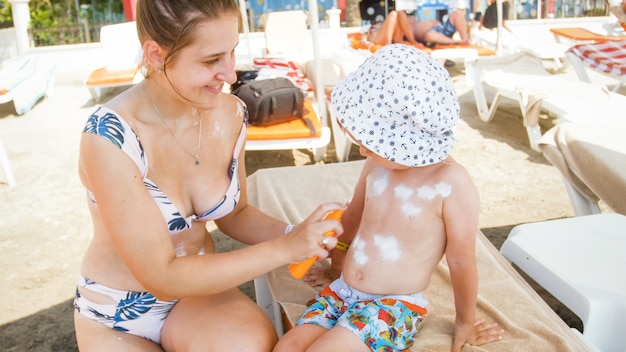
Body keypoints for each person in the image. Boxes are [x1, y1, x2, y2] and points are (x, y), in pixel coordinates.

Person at [72, 0, 345, 350]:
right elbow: (162, 276)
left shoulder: (231, 112)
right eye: (211, 60)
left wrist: (301, 235)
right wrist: (285, 248)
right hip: (115, 312)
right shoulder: (109, 137)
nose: (230, 74)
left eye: (231, 52)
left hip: (196, 297)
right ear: (155, 55)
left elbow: (236, 214)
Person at [273, 44, 505, 352]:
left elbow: (461, 260)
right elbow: (352, 219)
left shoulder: (451, 184)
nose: (362, 151)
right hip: (342, 292)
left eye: (372, 143)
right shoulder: (377, 164)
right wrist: (334, 267)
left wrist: (465, 323)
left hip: (392, 308)